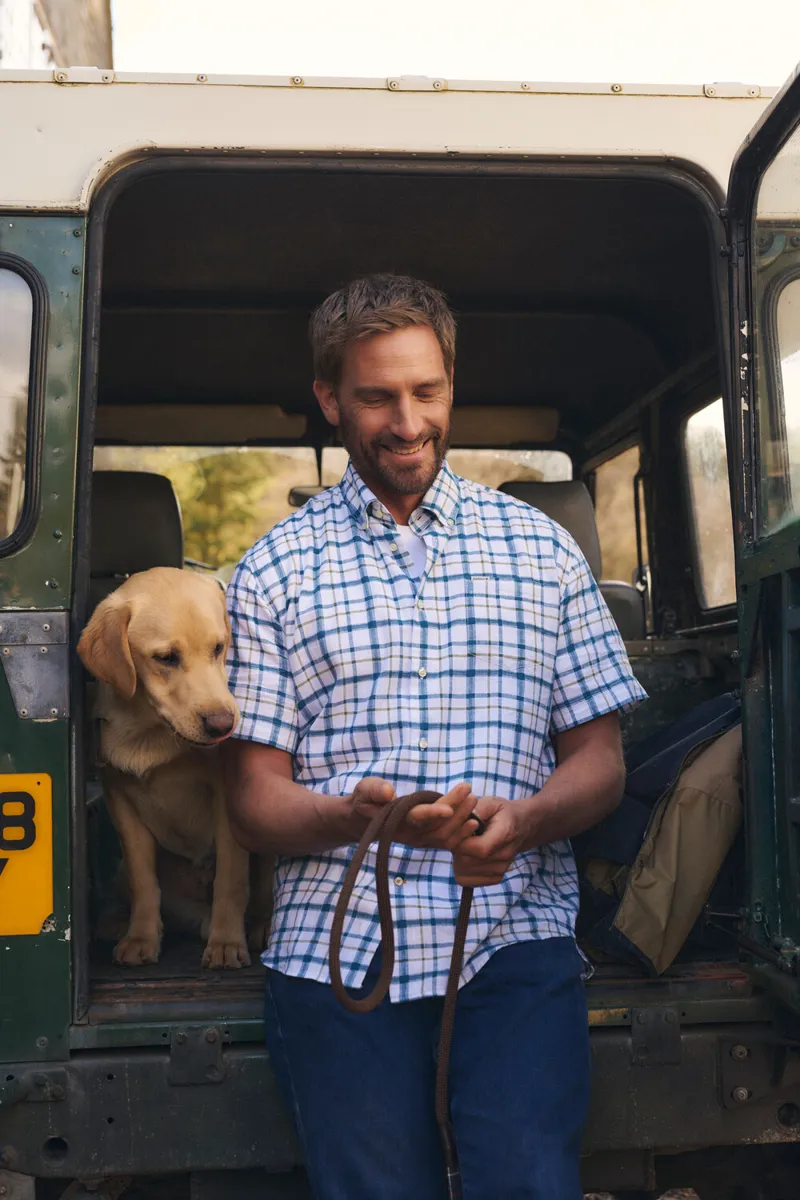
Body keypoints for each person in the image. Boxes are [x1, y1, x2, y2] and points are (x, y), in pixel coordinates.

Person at [223, 273, 646, 1200]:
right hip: (336, 948)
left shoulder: (541, 552)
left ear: (452, 384)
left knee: (528, 1186)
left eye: (427, 391)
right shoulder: (269, 573)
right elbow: (253, 801)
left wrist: (526, 824)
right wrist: (356, 818)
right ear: (331, 398)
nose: (407, 422)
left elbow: (600, 764)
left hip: (512, 935)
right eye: (377, 396)